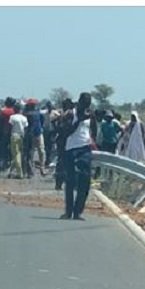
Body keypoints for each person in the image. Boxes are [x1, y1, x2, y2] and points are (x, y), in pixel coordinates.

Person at [60, 93, 93, 221]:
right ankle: (68, 211)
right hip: (71, 149)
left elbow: (93, 130)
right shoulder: (70, 114)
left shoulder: (90, 114)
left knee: (85, 181)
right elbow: (66, 132)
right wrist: (79, 120)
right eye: (84, 103)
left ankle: (78, 212)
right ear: (79, 102)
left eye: (88, 104)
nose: (86, 106)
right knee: (70, 180)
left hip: (85, 149)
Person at [53, 98, 75, 190]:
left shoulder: (61, 115)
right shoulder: (70, 114)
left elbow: (56, 126)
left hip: (61, 140)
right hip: (68, 141)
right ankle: (67, 182)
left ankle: (59, 183)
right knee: (69, 162)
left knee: (61, 162)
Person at [23, 98, 46, 177]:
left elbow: (42, 121)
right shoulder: (26, 113)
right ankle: (31, 170)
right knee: (31, 153)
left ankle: (42, 168)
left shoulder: (38, 112)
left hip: (39, 133)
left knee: (41, 151)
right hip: (30, 134)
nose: (32, 105)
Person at [8, 103, 28, 179]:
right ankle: (10, 171)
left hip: (14, 136)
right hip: (22, 137)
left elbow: (10, 127)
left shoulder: (12, 117)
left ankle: (20, 173)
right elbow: (26, 128)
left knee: (16, 155)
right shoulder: (24, 118)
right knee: (18, 154)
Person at [0, 98, 16, 172]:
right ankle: (11, 164)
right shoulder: (14, 111)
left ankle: (4, 163)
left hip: (4, 132)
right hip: (13, 132)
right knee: (12, 149)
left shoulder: (3, 111)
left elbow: (0, 122)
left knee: (3, 149)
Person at [42, 101, 59, 167]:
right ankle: (47, 159)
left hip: (52, 131)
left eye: (50, 106)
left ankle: (51, 160)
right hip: (46, 131)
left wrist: (55, 120)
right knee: (46, 146)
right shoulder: (45, 113)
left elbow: (60, 116)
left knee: (52, 145)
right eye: (48, 106)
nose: (49, 107)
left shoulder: (54, 112)